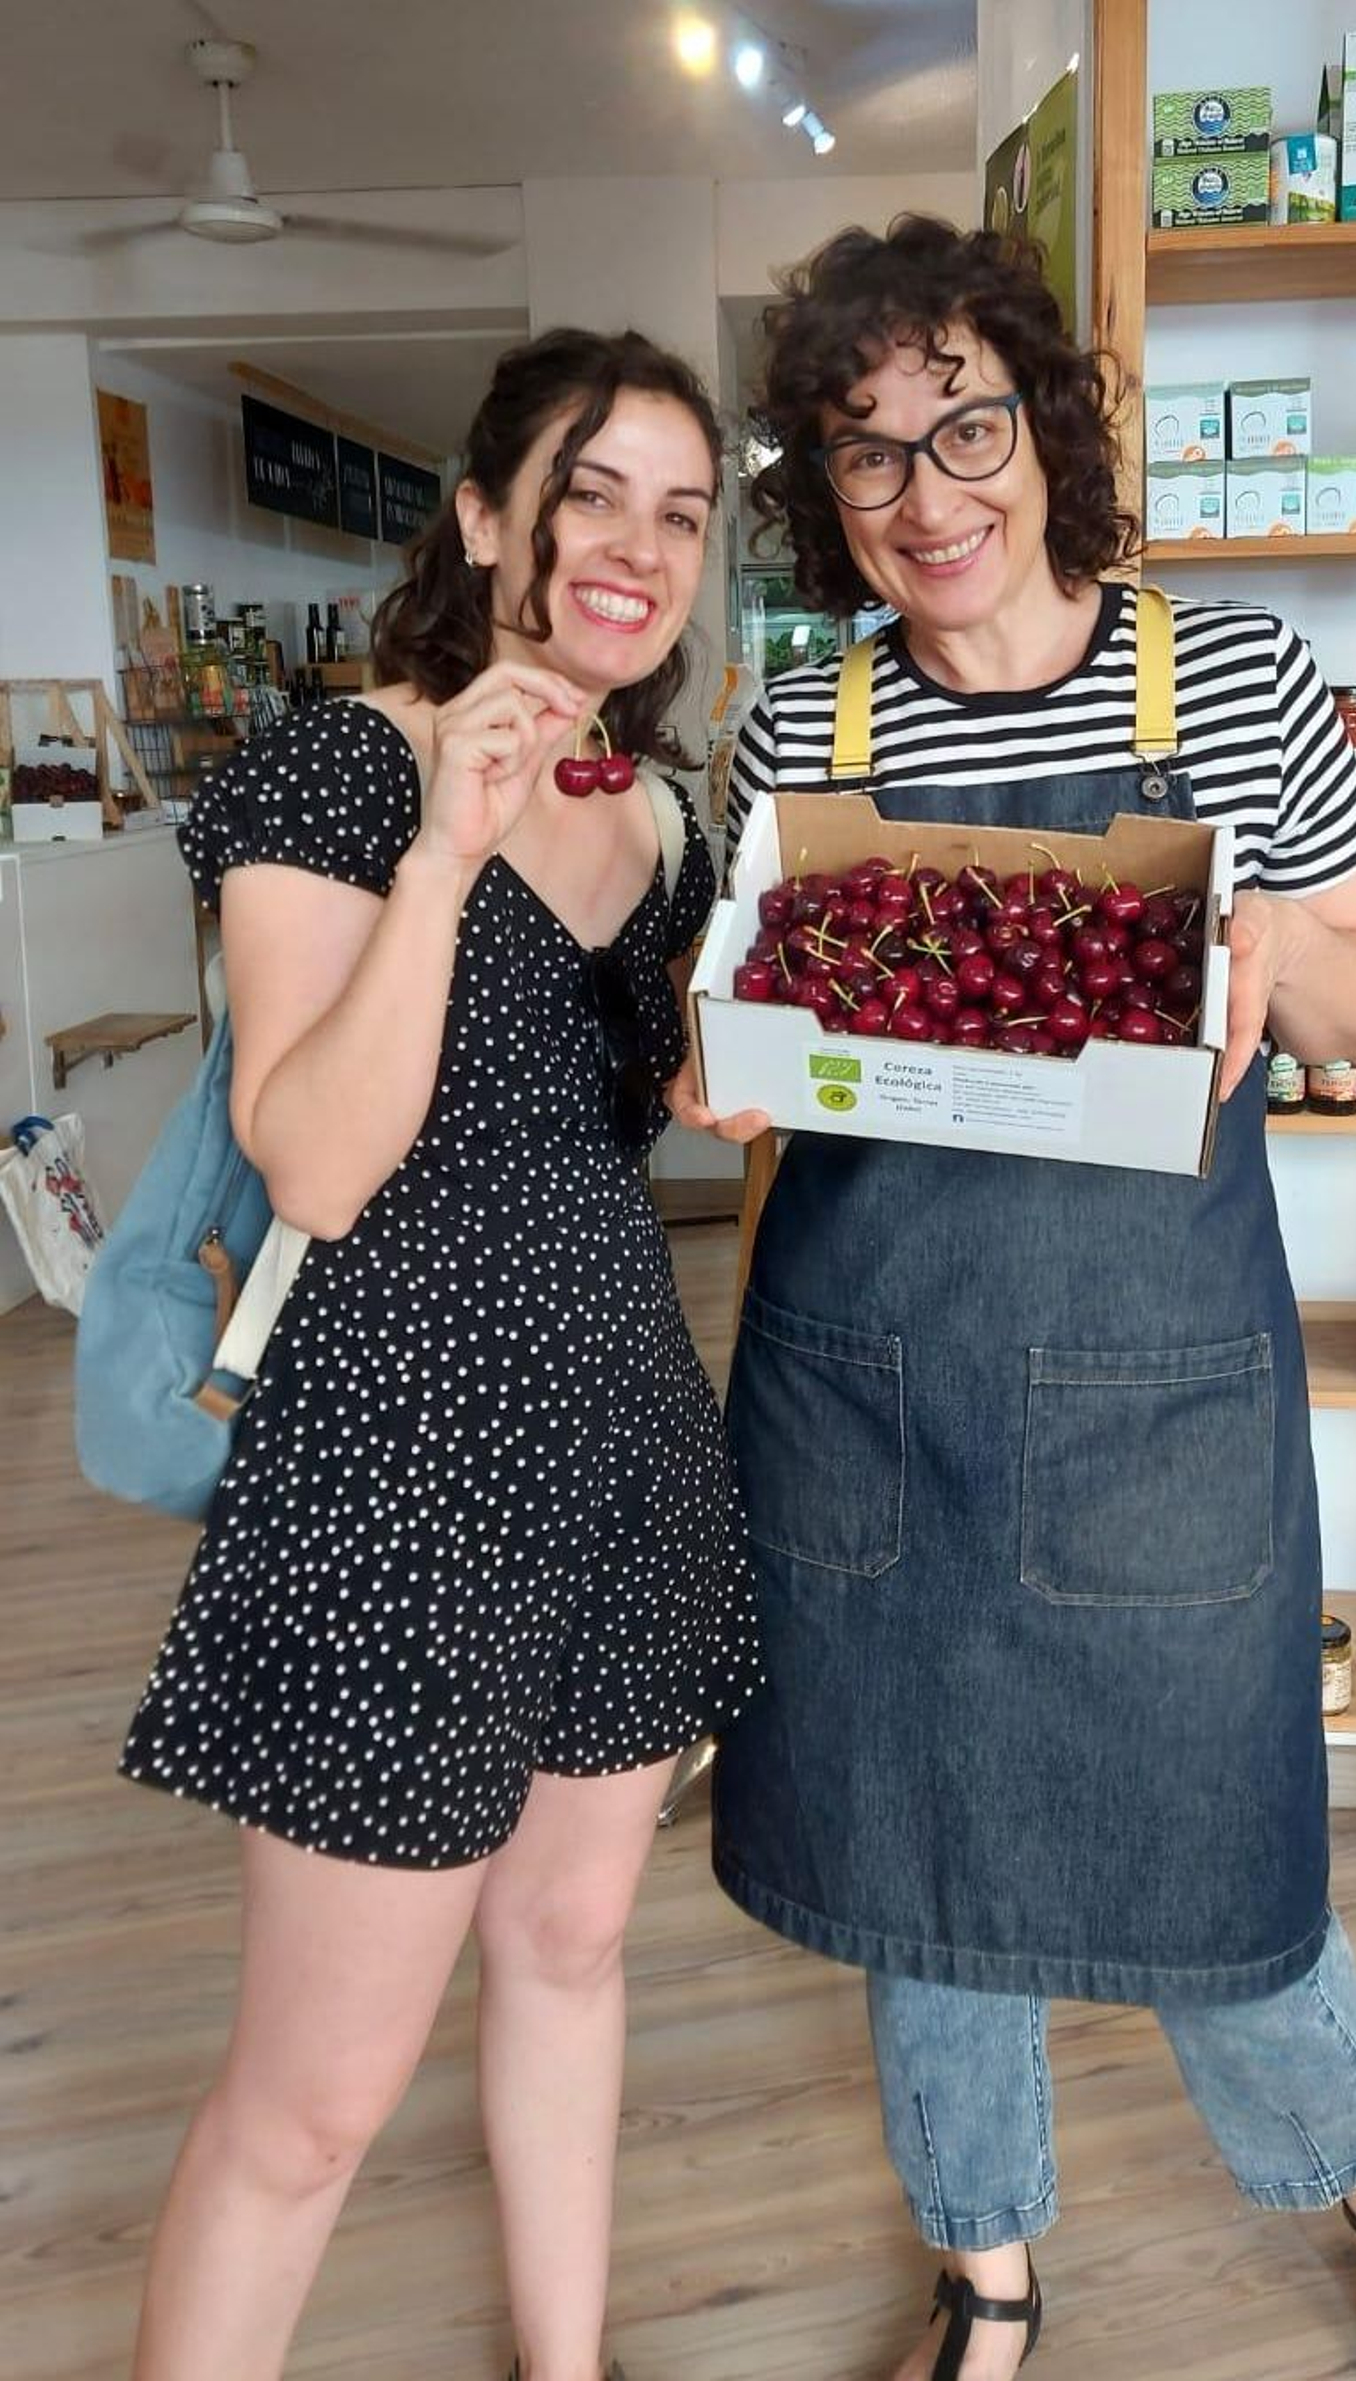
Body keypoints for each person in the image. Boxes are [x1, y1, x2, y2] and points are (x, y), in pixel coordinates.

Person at [676, 219, 1356, 2381]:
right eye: (865, 459)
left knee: (1211, 1843)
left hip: (1151, 1393)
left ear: (1038, 430)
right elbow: (762, 1059)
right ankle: (987, 2268)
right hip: (862, 1383)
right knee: (910, 1851)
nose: (927, 496)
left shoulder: (1219, 679)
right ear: (822, 497)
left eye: (962, 427)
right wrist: (718, 1059)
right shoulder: (804, 717)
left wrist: (1264, 965)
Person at [120, 327, 762, 2381]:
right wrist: (442, 853)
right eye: (593, 492)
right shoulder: (330, 769)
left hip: (619, 1448)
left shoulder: (662, 823)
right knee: (310, 2104)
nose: (636, 548)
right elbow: (313, 1161)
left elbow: (626, 1122)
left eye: (680, 513)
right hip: (392, 1477)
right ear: (482, 514)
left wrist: (744, 1073)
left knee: (569, 1953)